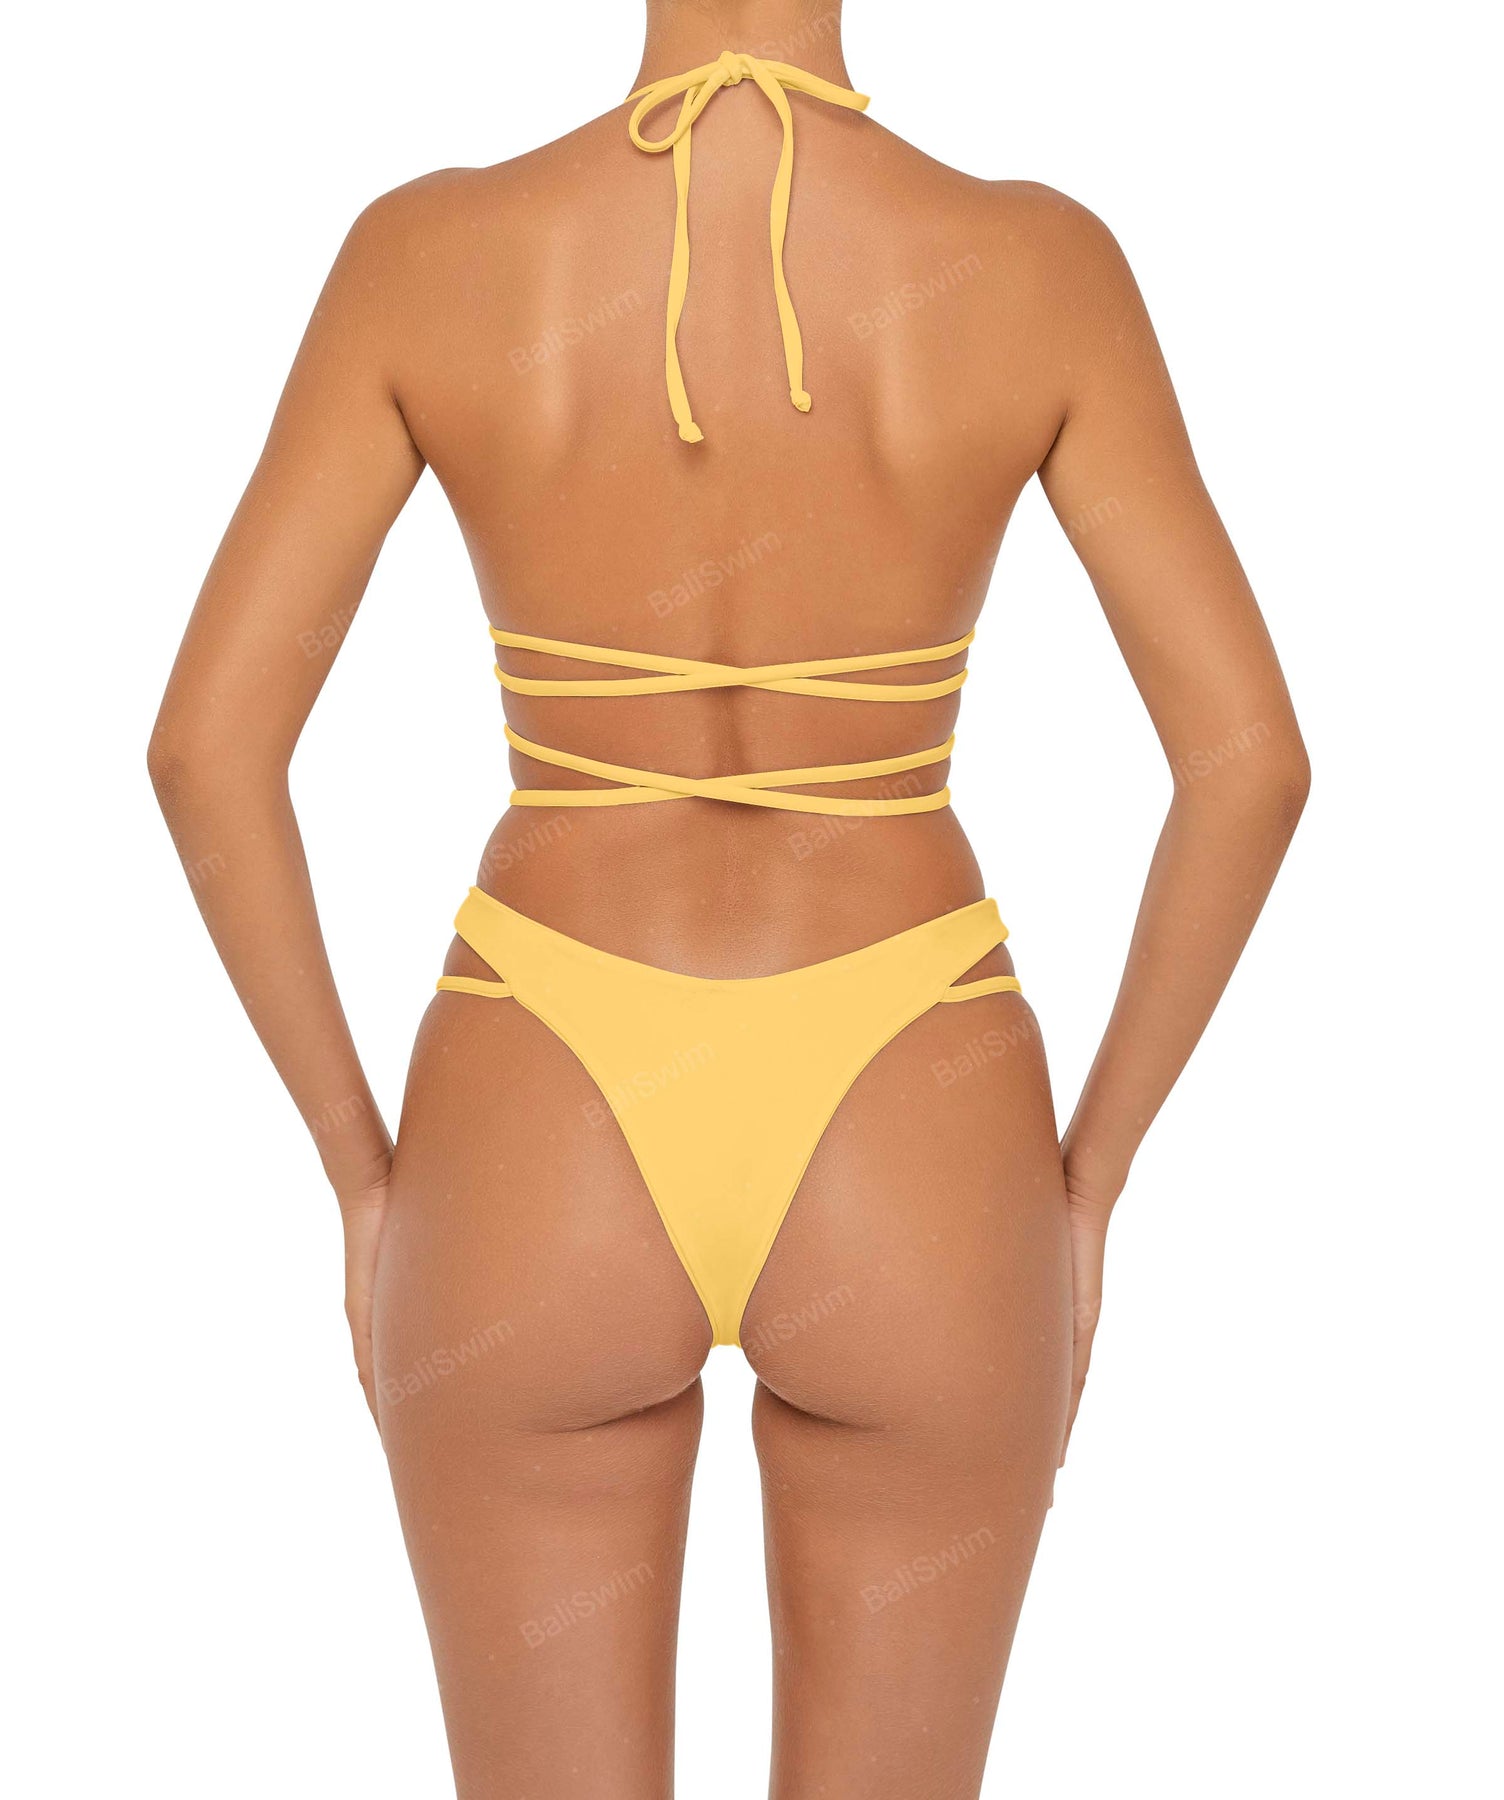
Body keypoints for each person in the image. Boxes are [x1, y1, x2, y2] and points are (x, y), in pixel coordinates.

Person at [148, 3, 1309, 1793]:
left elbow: (206, 750)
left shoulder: (432, 254)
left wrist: (361, 1177)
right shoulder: (1033, 264)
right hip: (916, 1111)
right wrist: (1090, 1186)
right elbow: (1250, 766)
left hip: (537, 1098)